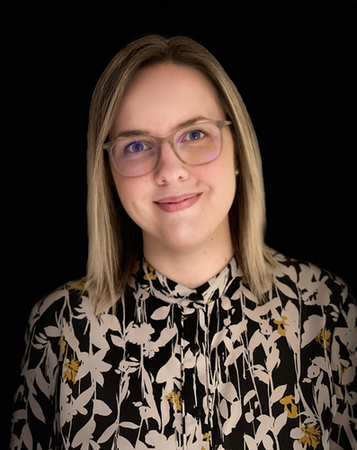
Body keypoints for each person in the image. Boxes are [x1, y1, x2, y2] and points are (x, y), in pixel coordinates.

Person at [9, 35, 357, 450]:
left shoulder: (328, 310)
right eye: (137, 146)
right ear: (108, 173)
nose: (170, 170)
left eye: (194, 135)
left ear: (239, 151)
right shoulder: (59, 328)